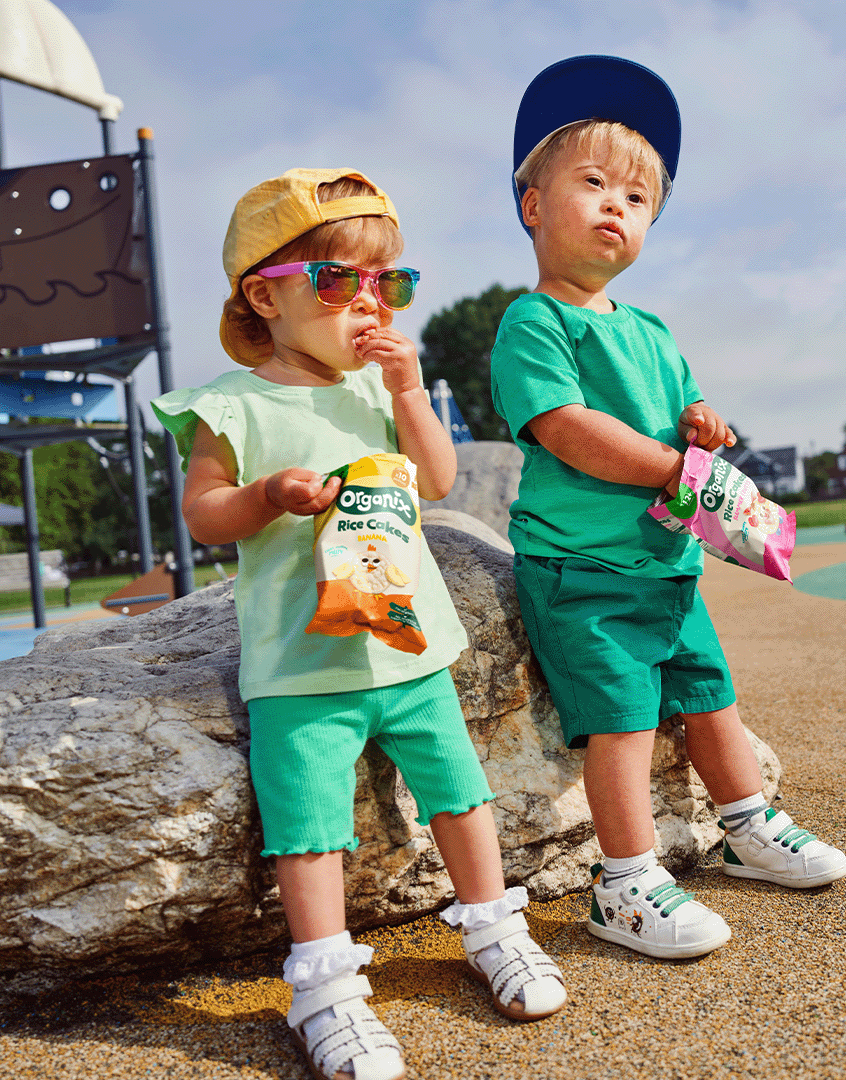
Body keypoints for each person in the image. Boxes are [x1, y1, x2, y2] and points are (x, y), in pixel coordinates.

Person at [153, 168, 565, 1080]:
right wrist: (265, 494)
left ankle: (493, 927)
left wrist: (411, 390)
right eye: (338, 282)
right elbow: (205, 511)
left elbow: (440, 480)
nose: (369, 303)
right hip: (303, 667)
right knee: (308, 825)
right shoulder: (235, 403)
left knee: (461, 793)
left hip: (412, 651)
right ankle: (325, 988)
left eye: (391, 283)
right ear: (266, 294)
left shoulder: (377, 388)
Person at [490, 57, 846, 962]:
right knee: (622, 720)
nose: (619, 205)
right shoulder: (535, 323)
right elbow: (567, 428)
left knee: (709, 697)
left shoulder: (650, 330)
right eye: (595, 183)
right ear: (533, 205)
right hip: (585, 569)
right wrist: (672, 468)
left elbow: (689, 420)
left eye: (639, 198)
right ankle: (624, 884)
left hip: (666, 562)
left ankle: (747, 826)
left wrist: (702, 425)